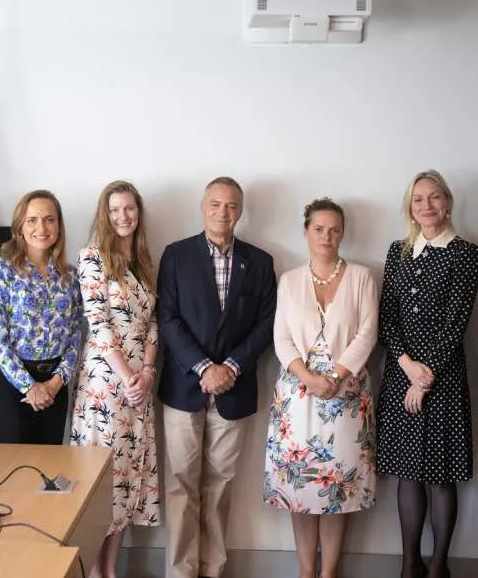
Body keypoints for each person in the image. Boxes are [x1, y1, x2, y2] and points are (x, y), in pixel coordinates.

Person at [157, 176, 276, 578]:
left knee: (220, 486)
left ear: (240, 211)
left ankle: (213, 569)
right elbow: (168, 319)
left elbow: (265, 325)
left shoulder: (260, 263)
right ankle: (181, 571)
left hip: (234, 389)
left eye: (231, 206)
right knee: (180, 485)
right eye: (215, 204)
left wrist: (231, 368)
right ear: (202, 206)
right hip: (184, 388)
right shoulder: (175, 256)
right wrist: (205, 367)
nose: (223, 212)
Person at [264, 198, 378, 578]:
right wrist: (308, 377)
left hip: (346, 397)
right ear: (305, 231)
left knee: (337, 489)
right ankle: (304, 572)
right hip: (297, 397)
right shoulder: (290, 280)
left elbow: (367, 333)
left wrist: (339, 374)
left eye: (334, 230)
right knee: (302, 489)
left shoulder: (362, 277)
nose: (326, 237)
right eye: (318, 229)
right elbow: (281, 337)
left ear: (343, 233)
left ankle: (329, 572)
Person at [376, 170, 478, 578]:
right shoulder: (398, 251)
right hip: (401, 373)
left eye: (434, 198)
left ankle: (438, 565)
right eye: (418, 199)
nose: (427, 206)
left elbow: (458, 322)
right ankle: (409, 563)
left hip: (444, 379)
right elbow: (388, 318)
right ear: (410, 206)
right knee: (407, 473)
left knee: (439, 475)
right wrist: (407, 366)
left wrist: (426, 375)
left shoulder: (464, 252)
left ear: (448, 202)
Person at [71, 180, 160, 578]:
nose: (123, 216)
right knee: (102, 482)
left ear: (138, 212)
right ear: (105, 216)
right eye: (115, 210)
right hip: (106, 385)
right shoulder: (93, 257)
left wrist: (146, 373)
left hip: (139, 388)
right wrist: (127, 376)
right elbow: (98, 322)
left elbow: (153, 322)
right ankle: (91, 570)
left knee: (126, 479)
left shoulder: (144, 262)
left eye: (129, 208)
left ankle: (110, 571)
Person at [0, 190, 84, 445]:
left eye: (49, 219)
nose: (42, 227)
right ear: (20, 226)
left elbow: (75, 334)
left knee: (47, 473)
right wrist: (30, 387)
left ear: (59, 226)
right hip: (12, 385)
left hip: (55, 386)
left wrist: (55, 382)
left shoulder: (70, 275)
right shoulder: (2, 269)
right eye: (32, 220)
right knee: (11, 473)